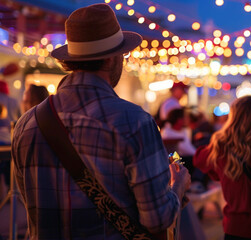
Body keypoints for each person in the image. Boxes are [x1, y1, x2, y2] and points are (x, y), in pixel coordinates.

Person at [11, 4, 190, 239]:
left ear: (71, 59)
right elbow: (157, 219)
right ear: (112, 58)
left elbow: (29, 204)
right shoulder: (134, 122)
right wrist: (179, 185)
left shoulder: (26, 124)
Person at [194, 96, 251, 240]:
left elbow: (198, 159)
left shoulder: (221, 149)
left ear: (233, 118)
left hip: (235, 228)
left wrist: (220, 172)